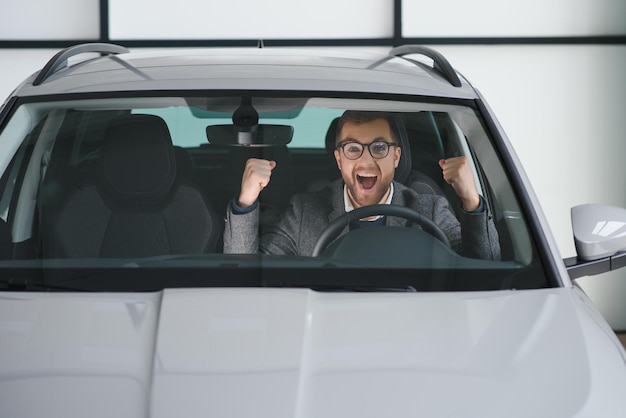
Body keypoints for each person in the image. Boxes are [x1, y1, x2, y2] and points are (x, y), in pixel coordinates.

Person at [224, 110, 500, 260]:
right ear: (339, 160)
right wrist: (246, 202)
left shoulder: (430, 208)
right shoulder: (304, 211)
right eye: (353, 148)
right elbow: (246, 274)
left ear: (396, 156)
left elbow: (487, 268)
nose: (366, 160)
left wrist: (471, 201)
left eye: (379, 147)